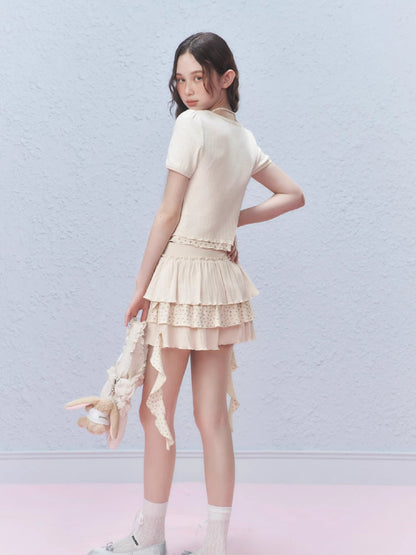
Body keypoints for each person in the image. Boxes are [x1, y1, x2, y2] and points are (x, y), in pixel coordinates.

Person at [88, 32, 304, 555]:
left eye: (198, 78)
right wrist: (231, 222)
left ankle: (150, 537)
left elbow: (168, 212)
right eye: (180, 79)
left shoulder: (191, 125)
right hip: (220, 281)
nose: (187, 90)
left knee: (155, 412)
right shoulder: (244, 139)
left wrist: (140, 286)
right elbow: (293, 195)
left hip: (180, 274)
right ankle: (214, 544)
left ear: (226, 78)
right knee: (214, 419)